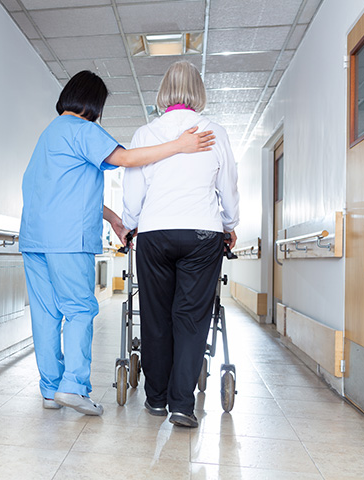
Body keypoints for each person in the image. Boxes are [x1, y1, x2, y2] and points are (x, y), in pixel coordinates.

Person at [19, 70, 215, 416]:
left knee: (46, 314)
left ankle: (50, 389)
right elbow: (125, 159)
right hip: (68, 240)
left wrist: (112, 218)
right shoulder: (83, 129)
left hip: (35, 238)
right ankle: (73, 388)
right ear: (94, 103)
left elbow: (62, 191)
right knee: (79, 309)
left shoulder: (47, 136)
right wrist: (180, 145)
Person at [122, 61, 239, 427]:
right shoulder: (215, 131)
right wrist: (230, 225)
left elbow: (132, 193)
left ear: (163, 93)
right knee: (190, 318)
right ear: (198, 92)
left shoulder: (145, 133)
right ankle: (182, 405)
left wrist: (129, 226)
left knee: (156, 316)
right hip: (203, 233)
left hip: (155, 233)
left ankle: (156, 399)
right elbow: (229, 188)